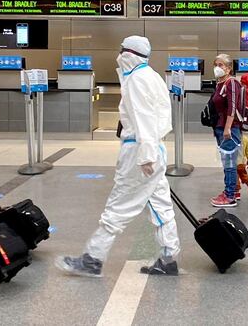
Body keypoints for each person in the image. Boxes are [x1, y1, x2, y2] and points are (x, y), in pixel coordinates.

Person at [55, 36, 180, 277]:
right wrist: (151, 153)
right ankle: (169, 258)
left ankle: (93, 258)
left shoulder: (136, 79)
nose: (118, 55)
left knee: (119, 205)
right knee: (161, 206)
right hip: (155, 148)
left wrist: (145, 156)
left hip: (140, 151)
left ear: (128, 55)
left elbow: (144, 118)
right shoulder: (152, 76)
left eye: (121, 51)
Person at [210, 54, 244, 207]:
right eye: (216, 64)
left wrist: (228, 128)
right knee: (226, 162)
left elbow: (232, 106)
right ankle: (230, 191)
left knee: (229, 163)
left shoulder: (231, 83)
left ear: (229, 68)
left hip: (229, 129)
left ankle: (230, 195)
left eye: (221, 65)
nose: (217, 67)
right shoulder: (220, 84)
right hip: (220, 128)